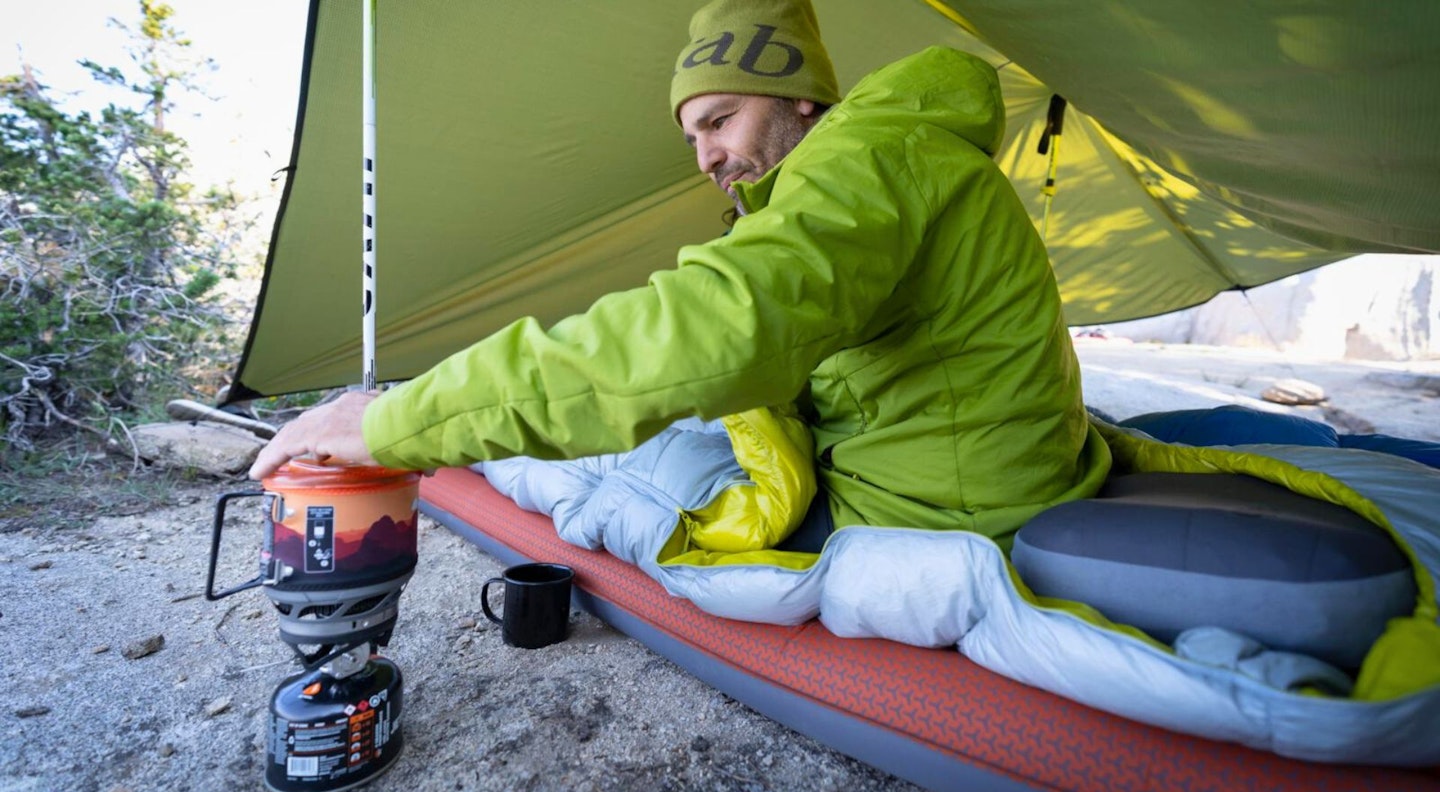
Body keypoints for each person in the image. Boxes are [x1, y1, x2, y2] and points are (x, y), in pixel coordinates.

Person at [251, 0, 1110, 546]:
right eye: (691, 135)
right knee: (644, 423)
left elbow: (721, 325)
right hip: (969, 470)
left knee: (598, 450)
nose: (705, 156)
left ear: (801, 97)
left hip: (946, 514)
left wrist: (405, 418)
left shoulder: (869, 161)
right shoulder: (884, 163)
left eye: (721, 119)